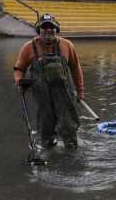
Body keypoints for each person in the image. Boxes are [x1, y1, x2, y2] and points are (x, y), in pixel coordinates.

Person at [13, 13, 84, 149]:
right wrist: (20, 81)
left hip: (64, 95)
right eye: (44, 27)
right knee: (46, 129)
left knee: (68, 127)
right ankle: (49, 153)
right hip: (42, 96)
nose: (48, 30)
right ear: (38, 30)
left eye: (51, 27)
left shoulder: (67, 45)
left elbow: (76, 69)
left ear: (56, 29)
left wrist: (80, 92)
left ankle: (71, 157)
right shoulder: (28, 47)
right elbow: (18, 68)